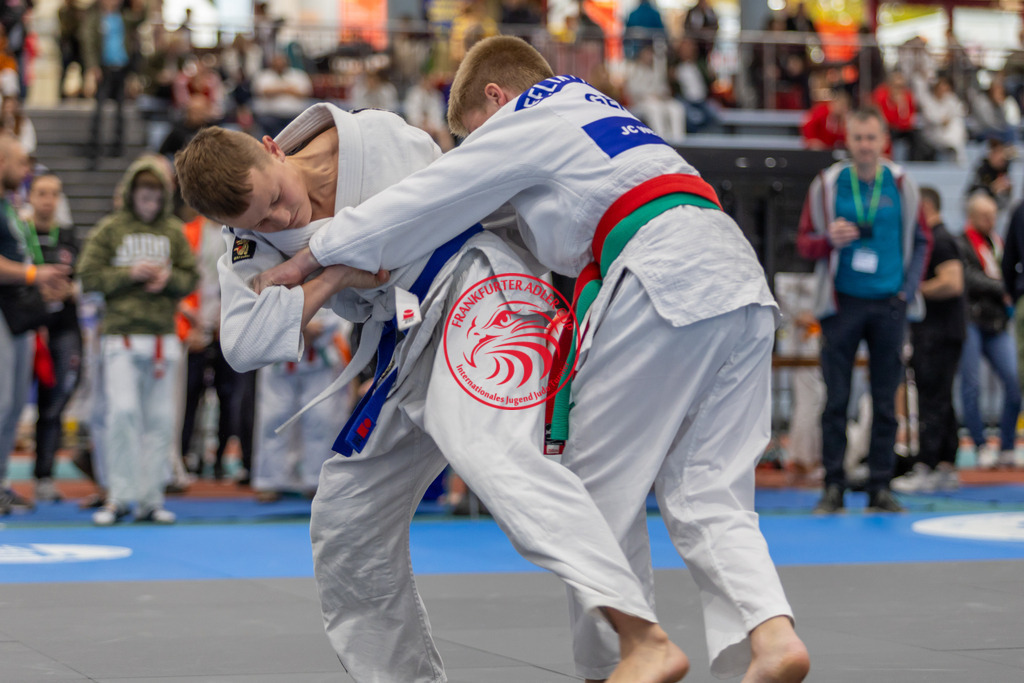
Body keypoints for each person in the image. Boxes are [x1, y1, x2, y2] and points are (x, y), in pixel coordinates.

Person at [250, 37, 810, 683]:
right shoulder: (600, 116)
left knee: (590, 486)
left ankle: (624, 659)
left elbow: (426, 195)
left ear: (495, 97)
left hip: (658, 272)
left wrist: (307, 260)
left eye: (472, 135)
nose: (475, 150)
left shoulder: (525, 115)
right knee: (709, 487)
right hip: (735, 273)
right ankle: (770, 634)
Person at [175, 105, 691, 683]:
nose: (278, 218)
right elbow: (243, 345)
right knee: (347, 516)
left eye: (274, 199)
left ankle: (637, 637)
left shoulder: (374, 138)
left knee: (492, 455)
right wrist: (331, 278)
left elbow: (436, 212)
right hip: (407, 336)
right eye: (261, 224)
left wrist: (320, 267)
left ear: (273, 149)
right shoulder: (247, 241)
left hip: (477, 290)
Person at [797, 106, 931, 514]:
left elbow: (923, 241)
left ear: (883, 140)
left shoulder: (903, 184)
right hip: (842, 303)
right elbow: (804, 242)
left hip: (889, 304)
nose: (866, 146)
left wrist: (907, 292)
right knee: (836, 398)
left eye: (872, 138)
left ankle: (879, 487)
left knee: (885, 403)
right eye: (859, 138)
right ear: (848, 140)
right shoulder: (828, 184)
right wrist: (828, 241)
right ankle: (834, 486)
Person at [77, 158, 199, 525]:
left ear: (164, 196)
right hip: (122, 337)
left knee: (161, 419)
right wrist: (128, 274)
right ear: (132, 193)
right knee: (123, 413)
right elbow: (87, 275)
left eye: (155, 194)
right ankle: (118, 496)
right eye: (142, 194)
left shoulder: (174, 232)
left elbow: (191, 277)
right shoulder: (111, 230)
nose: (148, 201)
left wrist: (169, 281)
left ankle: (150, 498)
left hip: (163, 337)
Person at [0, 137, 72, 515]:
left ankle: (0, 483)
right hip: (5, 309)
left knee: (12, 405)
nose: (25, 171)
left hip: (20, 316)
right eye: (20, 164)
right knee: (1, 403)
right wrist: (33, 273)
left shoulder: (11, 208)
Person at [892, 187, 967, 493]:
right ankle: (945, 464)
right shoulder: (938, 238)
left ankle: (928, 464)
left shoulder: (939, 239)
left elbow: (953, 282)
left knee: (932, 398)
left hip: (939, 333)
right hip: (940, 331)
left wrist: (916, 289)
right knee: (941, 398)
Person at [251, 309, 353, 502]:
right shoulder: (271, 279)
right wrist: (298, 327)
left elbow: (339, 313)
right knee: (274, 418)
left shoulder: (327, 278)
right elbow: (261, 312)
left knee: (320, 419)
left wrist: (307, 328)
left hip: (319, 357)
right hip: (278, 357)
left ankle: (316, 480)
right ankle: (269, 481)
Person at [24, 173, 83, 503]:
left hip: (63, 328)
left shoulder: (70, 236)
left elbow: (85, 280)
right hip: (26, 328)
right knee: (11, 402)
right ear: (30, 196)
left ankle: (44, 477)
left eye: (54, 194)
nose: (48, 200)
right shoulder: (20, 234)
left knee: (54, 403)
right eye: (42, 193)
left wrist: (72, 289)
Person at [957, 192, 1020, 470]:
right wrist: (1003, 288)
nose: (991, 220)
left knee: (1014, 381)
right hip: (971, 320)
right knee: (971, 385)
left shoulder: (997, 242)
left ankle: (1006, 445)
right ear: (972, 216)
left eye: (994, 215)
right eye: (985, 215)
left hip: (996, 322)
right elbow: (970, 278)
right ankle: (980, 444)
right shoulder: (962, 243)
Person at [80, 0, 145, 165]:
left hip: (121, 66)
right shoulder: (95, 17)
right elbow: (88, 42)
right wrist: (92, 66)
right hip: (104, 68)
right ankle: (95, 145)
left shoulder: (123, 17)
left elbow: (140, 17)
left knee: (120, 109)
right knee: (99, 108)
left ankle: (118, 145)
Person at [251, 53, 313, 138]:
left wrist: (277, 89)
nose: (279, 64)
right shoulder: (264, 76)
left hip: (295, 115)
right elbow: (265, 92)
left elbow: (304, 93)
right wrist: (287, 89)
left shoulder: (298, 75)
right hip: (270, 115)